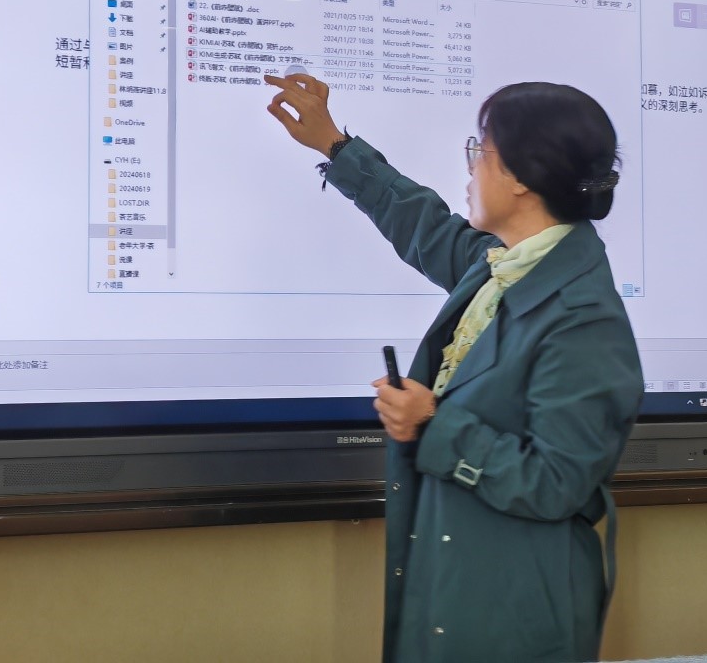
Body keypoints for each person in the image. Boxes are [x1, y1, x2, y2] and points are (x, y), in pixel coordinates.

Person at [265, 73, 644, 663]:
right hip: (458, 583)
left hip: (515, 609)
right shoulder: (504, 263)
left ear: (521, 177)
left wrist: (432, 422)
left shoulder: (583, 317)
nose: (470, 169)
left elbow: (556, 483)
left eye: (480, 152)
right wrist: (334, 145)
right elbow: (424, 225)